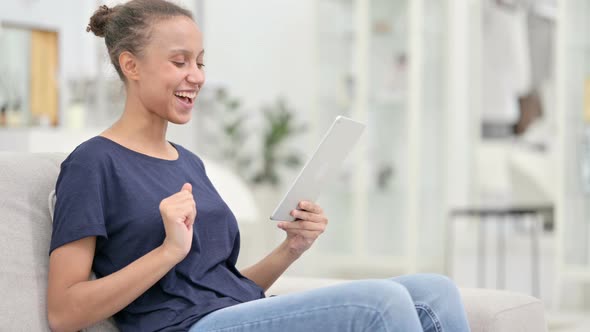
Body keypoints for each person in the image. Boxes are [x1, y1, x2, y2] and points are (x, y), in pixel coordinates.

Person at [46, 1, 471, 331]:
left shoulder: (188, 163)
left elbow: (222, 287)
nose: (197, 76)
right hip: (183, 327)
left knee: (435, 290)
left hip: (233, 314)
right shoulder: (92, 164)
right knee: (382, 302)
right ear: (131, 65)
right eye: (180, 62)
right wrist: (168, 251)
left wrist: (291, 249)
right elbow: (64, 313)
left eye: (200, 62)